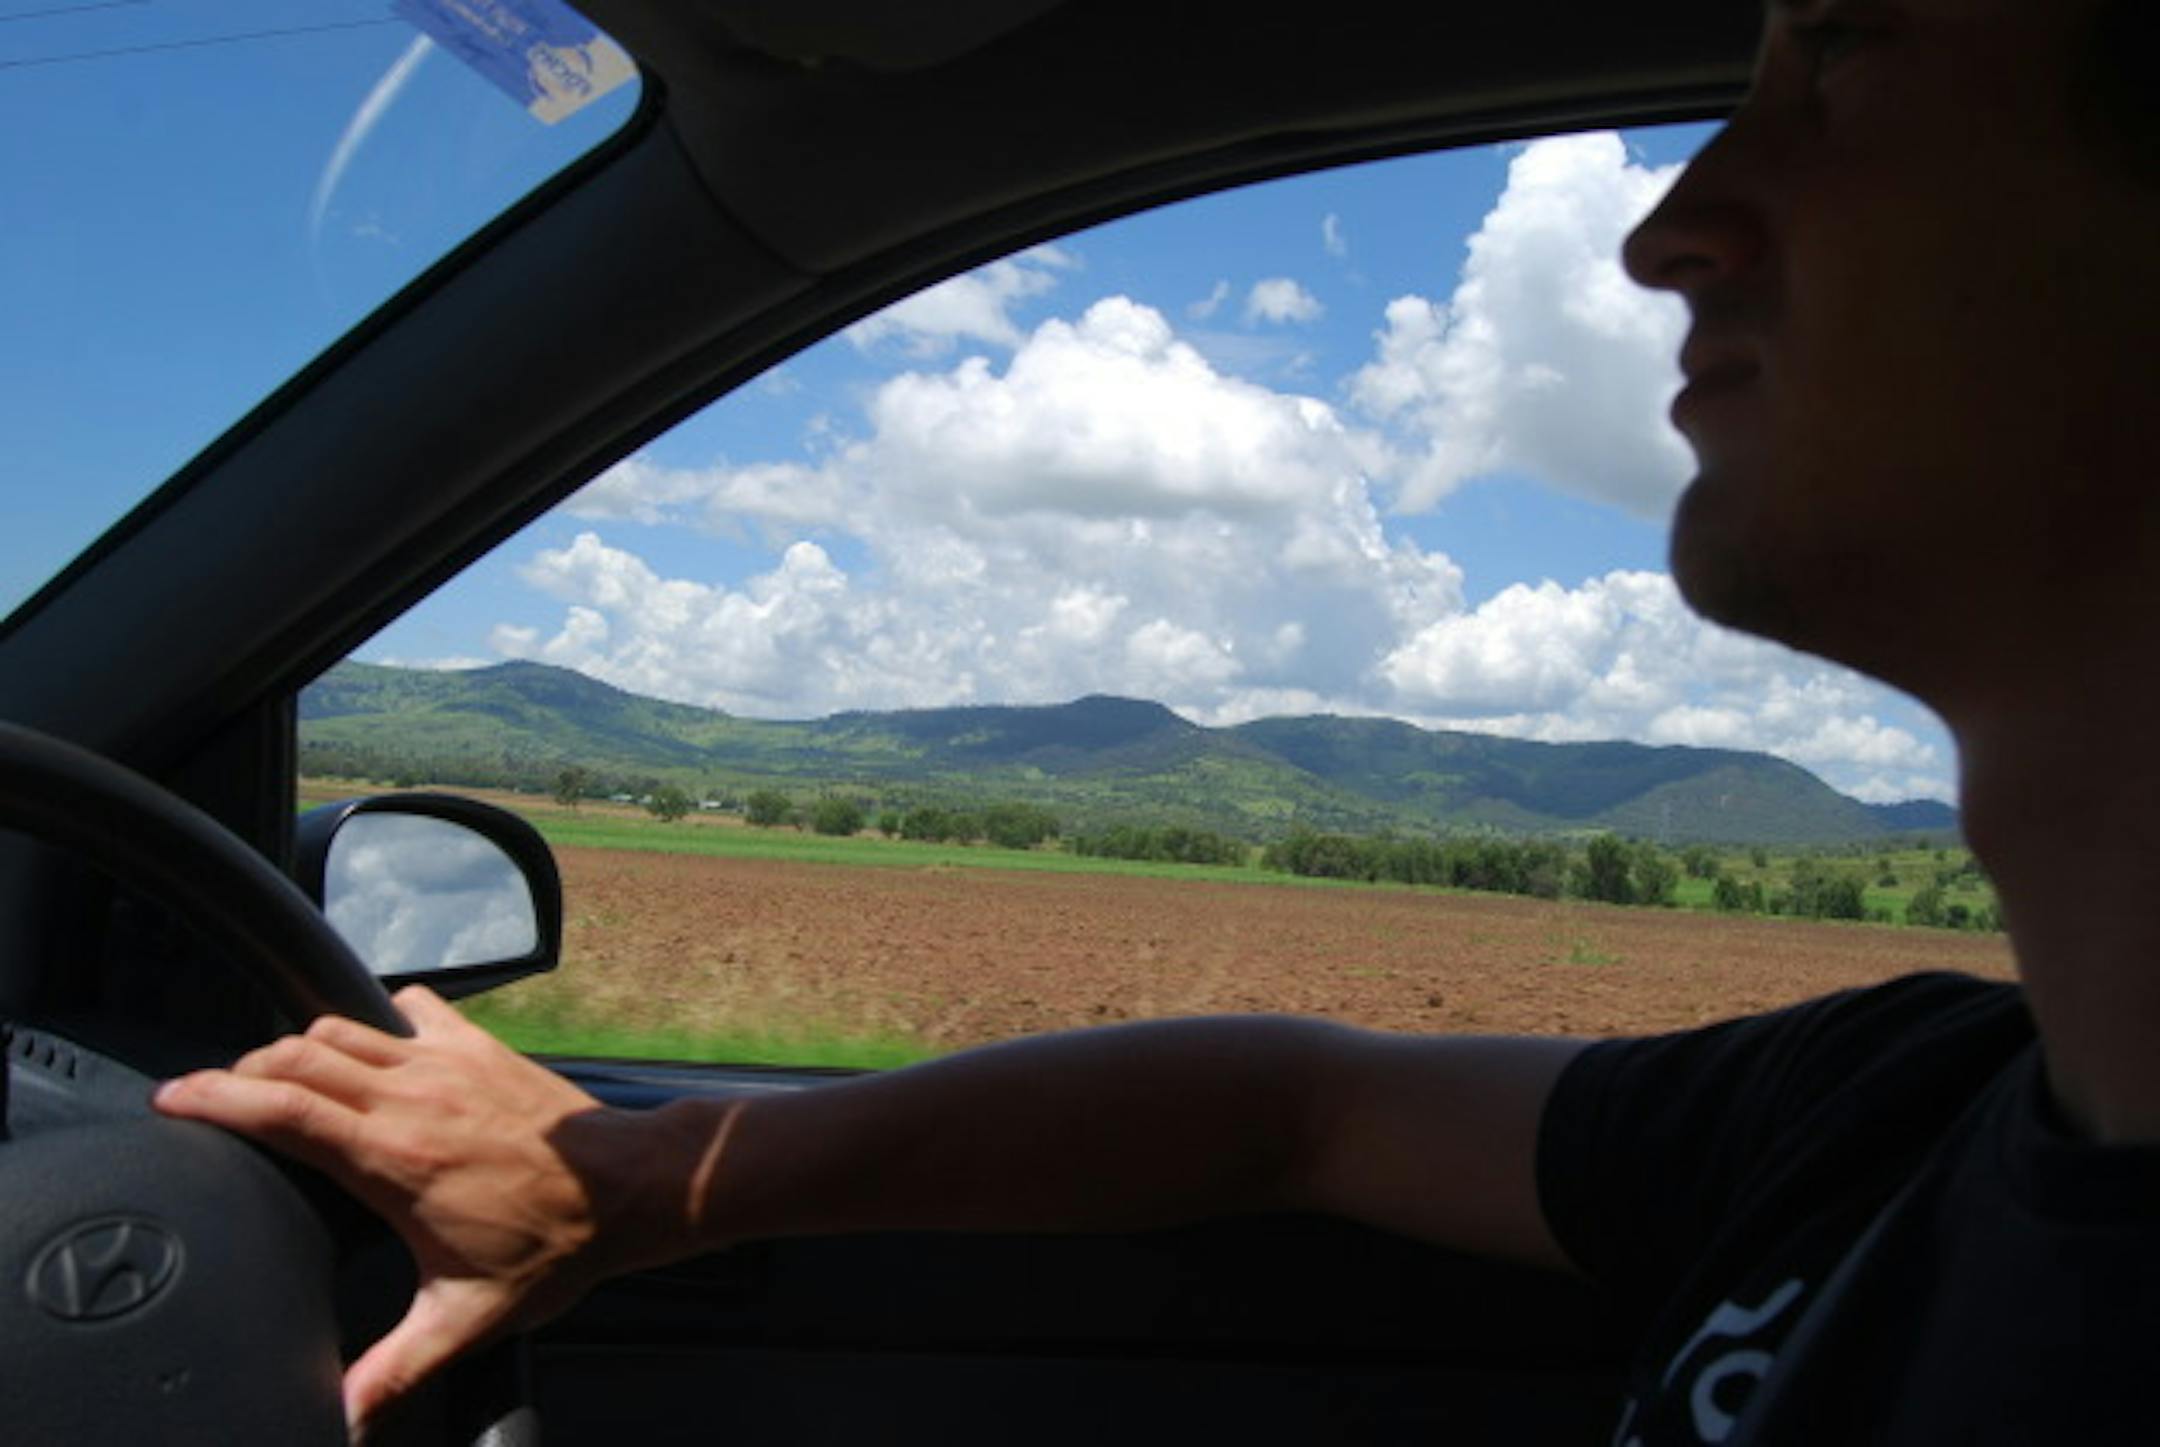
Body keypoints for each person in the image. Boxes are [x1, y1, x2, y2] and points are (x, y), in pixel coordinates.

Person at [155, 0, 2160, 1440]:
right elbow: (1301, 1105)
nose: (1665, 228)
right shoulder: (1893, 1112)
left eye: (1849, 51)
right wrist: (644, 1176)